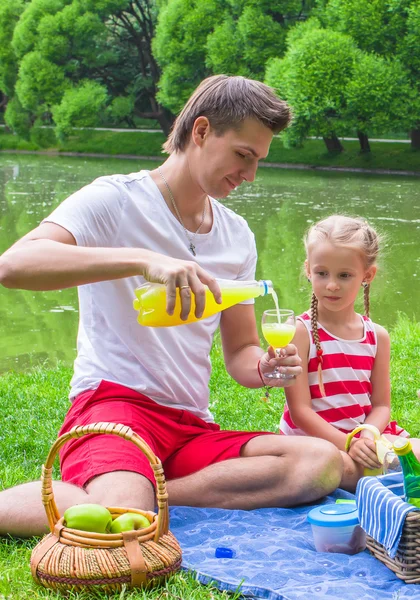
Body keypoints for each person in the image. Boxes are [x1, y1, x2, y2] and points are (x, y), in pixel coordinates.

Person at [0, 75, 342, 538]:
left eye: (258, 160)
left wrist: (266, 367)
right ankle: (126, 497)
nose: (250, 174)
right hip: (115, 405)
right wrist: (144, 260)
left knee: (320, 464)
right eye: (244, 155)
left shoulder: (236, 234)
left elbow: (241, 353)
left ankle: (147, 494)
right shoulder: (116, 199)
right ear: (200, 132)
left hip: (189, 425)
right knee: (125, 524)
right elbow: (15, 265)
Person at [280, 214, 420, 489]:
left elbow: (381, 405)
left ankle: (376, 474)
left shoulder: (377, 336)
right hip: (318, 440)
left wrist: (367, 436)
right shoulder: (301, 331)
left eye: (344, 275)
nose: (332, 284)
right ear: (308, 270)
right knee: (336, 467)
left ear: (367, 275)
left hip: (365, 435)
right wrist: (347, 443)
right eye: (322, 273)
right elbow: (300, 411)